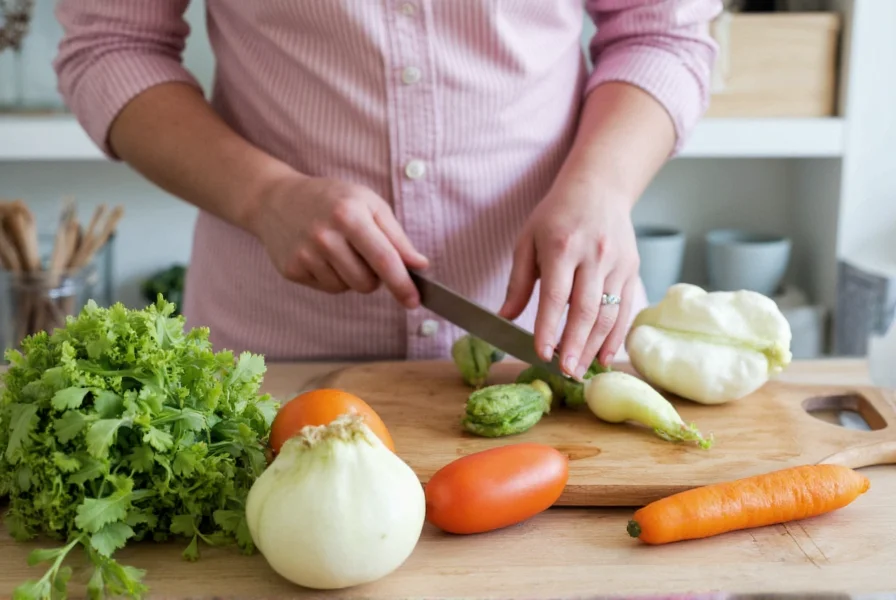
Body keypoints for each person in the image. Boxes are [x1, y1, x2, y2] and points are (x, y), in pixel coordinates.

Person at [53, 1, 721, 380]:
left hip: (552, 343)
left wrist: (601, 187)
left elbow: (661, 30)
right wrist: (264, 196)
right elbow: (113, 44)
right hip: (278, 362)